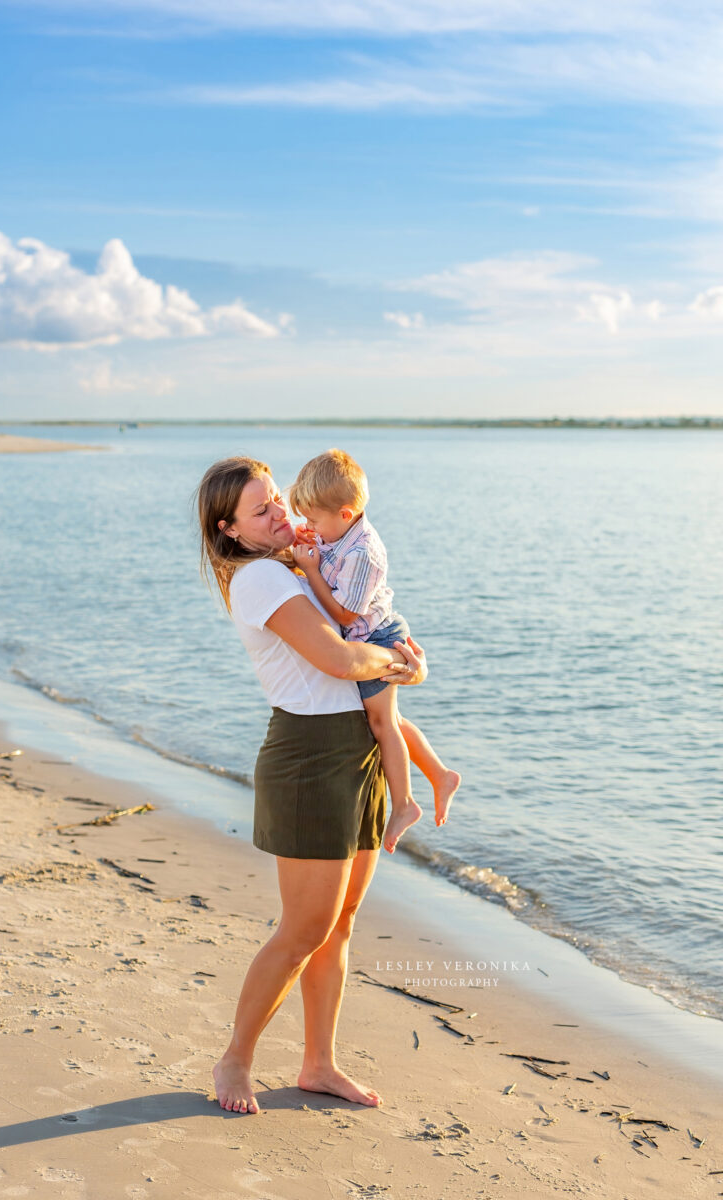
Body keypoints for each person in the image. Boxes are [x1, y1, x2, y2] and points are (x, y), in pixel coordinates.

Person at [196, 455, 427, 1116]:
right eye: (263, 510)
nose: (282, 515)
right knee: (304, 930)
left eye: (277, 500)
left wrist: (399, 662)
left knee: (340, 925)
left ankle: (318, 1063)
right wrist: (402, 662)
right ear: (231, 529)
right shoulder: (260, 577)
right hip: (309, 759)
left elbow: (360, 627)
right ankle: (235, 1057)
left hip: (357, 752)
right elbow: (338, 656)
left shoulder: (294, 563)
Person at [288, 448, 460, 854]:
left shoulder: (363, 551)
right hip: (370, 633)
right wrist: (309, 542)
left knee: (382, 724)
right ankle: (439, 774)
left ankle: (403, 805)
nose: (309, 526)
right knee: (393, 720)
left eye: (314, 521)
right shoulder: (338, 531)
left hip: (377, 636)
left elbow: (346, 612)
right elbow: (325, 550)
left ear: (345, 514)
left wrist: (310, 569)